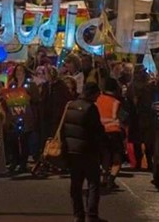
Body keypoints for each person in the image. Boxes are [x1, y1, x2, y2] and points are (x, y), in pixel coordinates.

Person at [61, 82, 106, 222]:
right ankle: (92, 215)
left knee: (76, 184)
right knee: (93, 183)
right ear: (92, 93)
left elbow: (64, 128)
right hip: (88, 150)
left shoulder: (70, 105)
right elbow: (96, 131)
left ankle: (78, 214)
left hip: (72, 150)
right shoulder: (91, 108)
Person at [96, 79, 124, 190]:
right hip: (114, 132)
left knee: (105, 156)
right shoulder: (116, 102)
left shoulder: (97, 100)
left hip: (100, 132)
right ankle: (111, 181)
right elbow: (122, 118)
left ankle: (103, 179)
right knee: (117, 158)